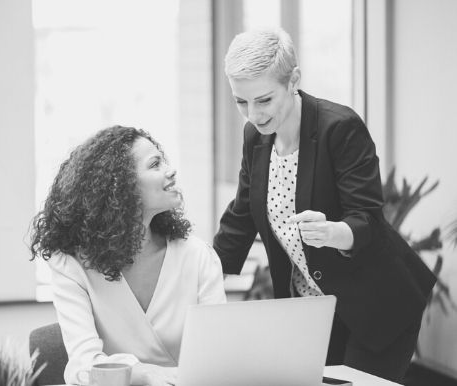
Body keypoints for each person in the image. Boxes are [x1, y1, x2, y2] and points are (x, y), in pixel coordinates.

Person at [212, 27, 436, 382]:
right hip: (315, 310)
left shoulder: (339, 128)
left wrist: (334, 232)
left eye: (264, 100)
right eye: (241, 101)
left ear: (293, 80)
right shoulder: (255, 137)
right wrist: (200, 274)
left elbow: (368, 218)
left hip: (376, 302)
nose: (252, 114)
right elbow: (241, 216)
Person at [30, 125, 226, 386]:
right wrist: (143, 373)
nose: (171, 170)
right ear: (119, 185)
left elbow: (220, 358)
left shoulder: (198, 255)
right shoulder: (71, 263)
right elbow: (82, 366)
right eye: (155, 164)